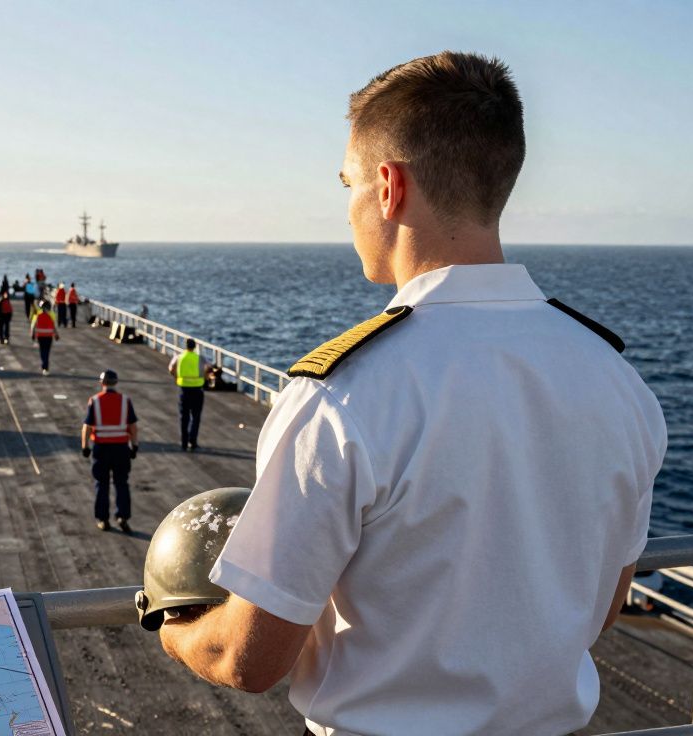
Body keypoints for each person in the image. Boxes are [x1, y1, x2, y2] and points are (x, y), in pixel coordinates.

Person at [154, 52, 665, 736]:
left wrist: (172, 623)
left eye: (349, 185)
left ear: (389, 187)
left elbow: (249, 660)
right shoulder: (618, 383)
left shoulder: (342, 396)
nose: (348, 210)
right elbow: (602, 606)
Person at [80, 369, 138, 533]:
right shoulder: (125, 401)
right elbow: (133, 427)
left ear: (102, 383)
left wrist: (85, 446)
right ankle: (123, 517)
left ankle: (103, 519)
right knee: (121, 484)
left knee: (102, 484)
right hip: (121, 449)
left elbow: (87, 427)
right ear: (116, 383)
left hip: (101, 449)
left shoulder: (95, 401)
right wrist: (134, 445)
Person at [168, 338, 209, 451]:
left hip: (184, 389)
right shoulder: (199, 358)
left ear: (185, 346)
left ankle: (184, 442)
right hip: (197, 390)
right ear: (194, 347)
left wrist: (176, 377)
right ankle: (193, 441)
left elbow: (171, 368)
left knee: (184, 417)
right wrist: (205, 379)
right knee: (196, 416)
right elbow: (207, 369)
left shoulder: (179, 357)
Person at [29, 300, 58, 375]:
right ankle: (45, 367)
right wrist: (56, 334)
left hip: (41, 336)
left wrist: (32, 334)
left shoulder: (38, 315)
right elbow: (54, 325)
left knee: (42, 352)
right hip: (49, 336)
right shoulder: (52, 314)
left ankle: (44, 366)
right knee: (47, 352)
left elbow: (33, 325)